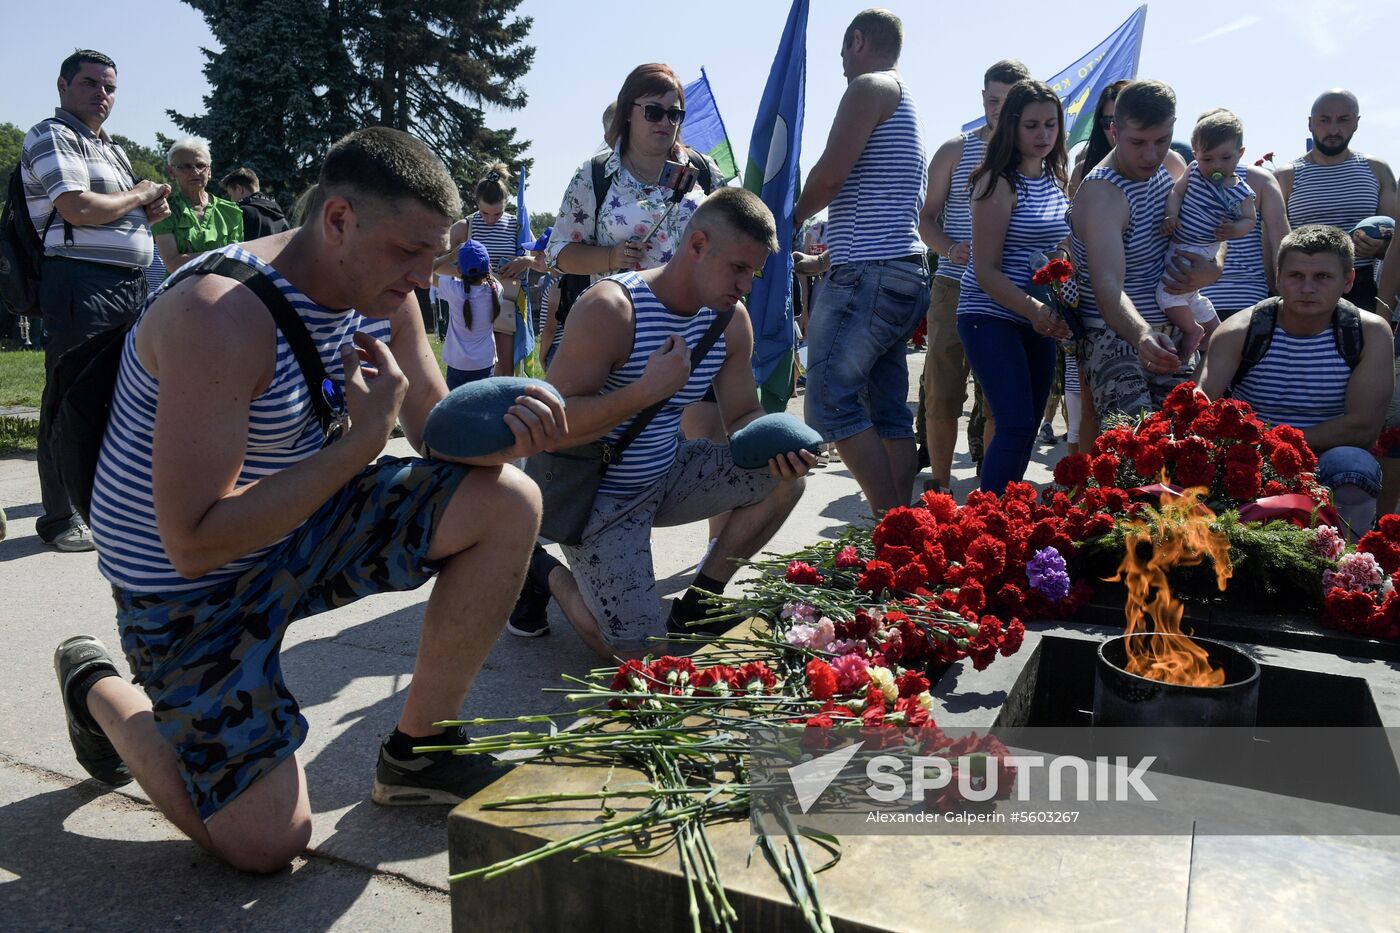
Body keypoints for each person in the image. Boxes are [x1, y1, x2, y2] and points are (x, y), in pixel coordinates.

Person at [55, 127, 565, 873]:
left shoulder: (383, 289)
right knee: (267, 841)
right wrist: (357, 446)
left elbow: (434, 431)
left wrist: (517, 425)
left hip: (297, 527)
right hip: (189, 588)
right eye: (407, 252)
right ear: (337, 221)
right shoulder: (218, 313)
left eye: (435, 253)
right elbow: (193, 539)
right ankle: (96, 684)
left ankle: (419, 755)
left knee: (508, 501)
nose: (425, 279)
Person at [514, 188, 813, 658]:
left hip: (667, 473)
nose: (746, 286)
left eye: (753, 273)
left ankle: (700, 602)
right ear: (696, 246)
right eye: (738, 268)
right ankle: (540, 568)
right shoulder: (612, 309)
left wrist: (784, 442)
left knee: (783, 480)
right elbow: (551, 424)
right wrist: (644, 391)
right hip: (599, 493)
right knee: (636, 654)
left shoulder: (729, 320)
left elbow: (741, 417)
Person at [21, 49, 171, 552]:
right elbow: (78, 208)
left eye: (109, 87)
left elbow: (113, 215)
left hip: (126, 285)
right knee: (70, 400)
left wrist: (146, 210)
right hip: (79, 283)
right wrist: (137, 195)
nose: (101, 95)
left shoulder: (110, 149)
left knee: (123, 395)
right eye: (90, 84)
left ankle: (109, 507)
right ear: (63, 86)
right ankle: (60, 519)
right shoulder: (52, 134)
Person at [795, 9, 930, 515]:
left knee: (828, 400)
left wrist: (783, 220)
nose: (841, 65)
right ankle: (903, 531)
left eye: (841, 52)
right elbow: (877, 208)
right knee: (888, 410)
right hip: (898, 271)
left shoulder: (869, 87)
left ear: (856, 41)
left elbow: (830, 175)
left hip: (870, 275)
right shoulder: (903, 97)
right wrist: (823, 261)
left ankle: (886, 525)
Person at [1199, 225, 1393, 537]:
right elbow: (1200, 404)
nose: (1307, 288)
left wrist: (1281, 441)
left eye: (1322, 277)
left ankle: (1348, 571)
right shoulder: (1240, 330)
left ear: (1348, 281)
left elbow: (1363, 427)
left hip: (1327, 455)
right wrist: (1260, 448)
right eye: (1296, 276)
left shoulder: (1369, 332)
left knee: (1354, 466)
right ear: (1278, 278)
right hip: (1249, 455)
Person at [1068, 79, 1221, 423]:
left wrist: (1214, 267)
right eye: (1137, 142)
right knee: (1134, 454)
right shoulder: (1101, 194)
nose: (1151, 155)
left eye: (1161, 140)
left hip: (1175, 333)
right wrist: (1141, 334)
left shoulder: (1173, 165)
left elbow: (1211, 222)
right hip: (1115, 338)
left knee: (1185, 449)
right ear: (1114, 131)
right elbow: (1108, 286)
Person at [918, 58, 1030, 493]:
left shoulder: (1032, 155)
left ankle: (990, 493)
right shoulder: (955, 150)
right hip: (953, 284)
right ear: (983, 98)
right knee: (942, 390)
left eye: (1009, 101)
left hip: (1009, 291)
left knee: (998, 399)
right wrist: (949, 248)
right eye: (993, 99)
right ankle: (941, 487)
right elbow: (925, 218)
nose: (999, 109)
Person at [956, 80, 1072, 493]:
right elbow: (985, 270)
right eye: (1032, 125)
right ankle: (986, 526)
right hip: (989, 315)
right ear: (1011, 127)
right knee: (1015, 423)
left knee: (1026, 426)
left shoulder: (1059, 178)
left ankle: (1004, 519)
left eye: (1051, 125)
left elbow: (1060, 245)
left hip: (1038, 319)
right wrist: (1036, 311)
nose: (1043, 135)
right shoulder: (996, 182)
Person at [1275, 90, 1398, 312]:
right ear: (1310, 123)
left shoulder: (1376, 170)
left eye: (1343, 119)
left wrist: (1380, 248)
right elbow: (1272, 245)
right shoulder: (1286, 176)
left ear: (1356, 123)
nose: (1333, 129)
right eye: (1324, 120)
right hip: (1305, 286)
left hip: (1364, 286)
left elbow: (1394, 236)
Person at [1157, 109, 1258, 357]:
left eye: (1225, 158)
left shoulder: (1241, 192)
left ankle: (1192, 329)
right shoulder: (1192, 172)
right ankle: (1213, 327)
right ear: (1196, 155)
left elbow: (1250, 220)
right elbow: (1176, 193)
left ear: (1240, 154)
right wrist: (1171, 214)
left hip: (1203, 247)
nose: (1216, 166)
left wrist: (1234, 230)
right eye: (1207, 159)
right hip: (1179, 242)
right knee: (1191, 295)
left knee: (1167, 293)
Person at [445, 162, 539, 377]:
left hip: (504, 303)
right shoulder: (464, 226)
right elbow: (441, 265)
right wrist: (467, 271)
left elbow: (542, 261)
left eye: (497, 214)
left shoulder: (518, 226)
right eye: (484, 213)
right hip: (471, 302)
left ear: (506, 204)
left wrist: (524, 262)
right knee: (471, 366)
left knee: (504, 367)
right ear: (476, 203)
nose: (490, 220)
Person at [151, 138, 244, 275]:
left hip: (221, 289)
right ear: (171, 172)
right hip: (178, 291)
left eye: (200, 165)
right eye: (185, 166)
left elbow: (236, 261)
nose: (195, 172)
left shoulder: (231, 212)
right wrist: (222, 256)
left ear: (209, 171)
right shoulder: (164, 210)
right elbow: (173, 264)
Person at [438, 238, 501, 388]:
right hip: (484, 363)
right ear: (488, 267)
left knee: (455, 408)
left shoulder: (452, 289)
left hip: (457, 363)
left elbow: (426, 270)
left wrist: (450, 256)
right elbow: (489, 278)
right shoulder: (496, 289)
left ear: (459, 270)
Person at [1068, 80, 1130, 196]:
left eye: (1121, 120)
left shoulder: (1165, 162)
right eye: (1108, 121)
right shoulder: (1083, 171)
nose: (1114, 128)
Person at [219, 166, 290, 240]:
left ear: (239, 189)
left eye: (230, 195)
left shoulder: (241, 213)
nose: (231, 200)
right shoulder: (281, 216)